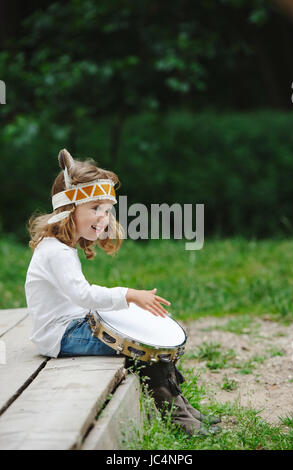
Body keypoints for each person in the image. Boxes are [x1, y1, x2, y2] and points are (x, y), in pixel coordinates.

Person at [25, 148, 221, 437]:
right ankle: (178, 418)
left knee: (145, 339)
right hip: (60, 335)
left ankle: (182, 408)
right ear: (68, 208)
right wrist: (129, 295)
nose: (103, 218)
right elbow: (84, 295)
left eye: (106, 210)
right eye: (95, 208)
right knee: (143, 348)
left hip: (74, 324)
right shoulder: (55, 252)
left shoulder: (61, 246)